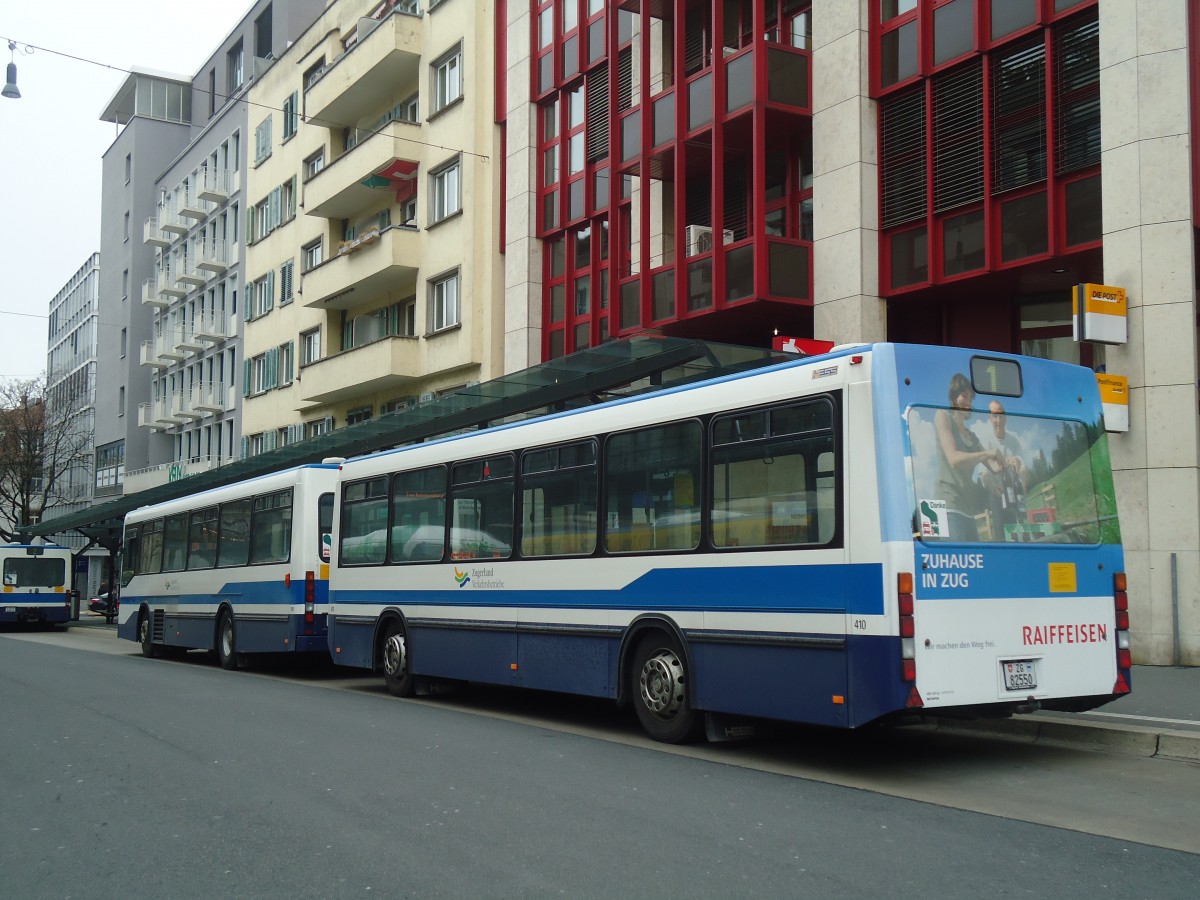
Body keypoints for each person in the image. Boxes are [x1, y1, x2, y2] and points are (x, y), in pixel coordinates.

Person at [934, 373, 1002, 540]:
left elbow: (994, 466)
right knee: (957, 562)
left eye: (971, 399)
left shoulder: (972, 437)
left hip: (968, 508)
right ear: (954, 395)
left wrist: (1009, 461)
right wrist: (986, 453)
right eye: (964, 396)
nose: (968, 403)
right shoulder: (942, 417)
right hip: (948, 506)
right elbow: (954, 459)